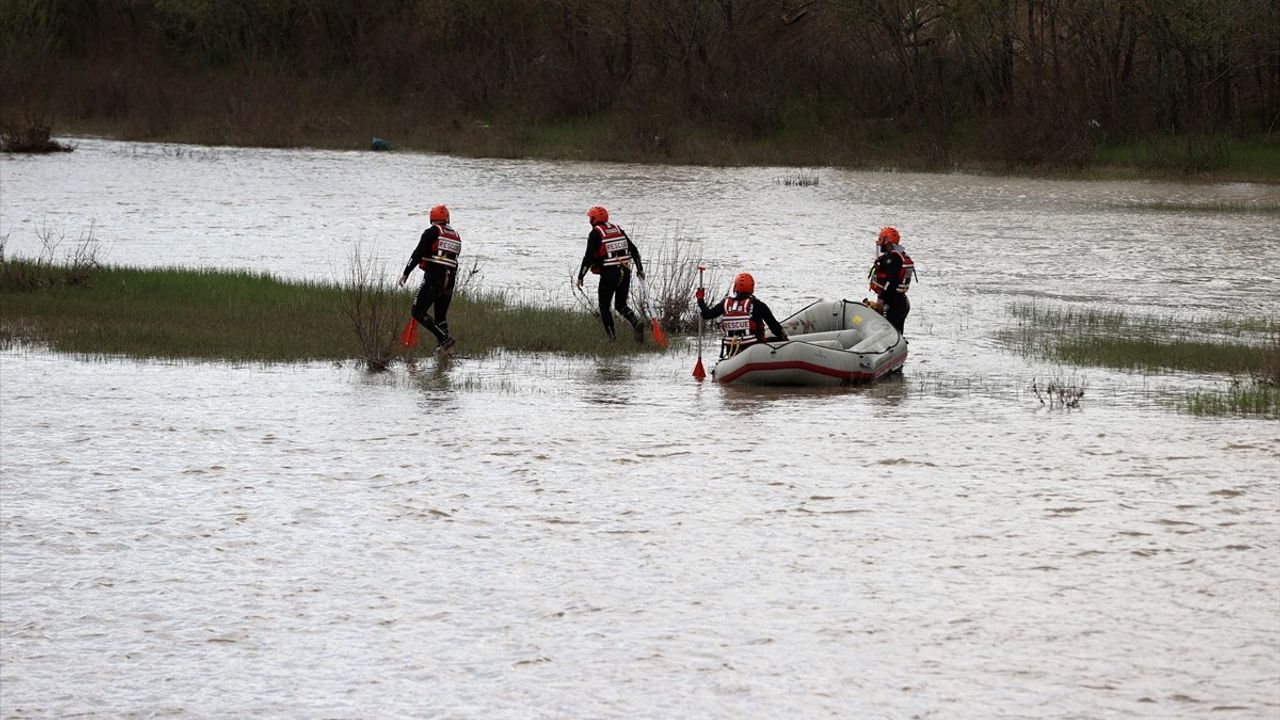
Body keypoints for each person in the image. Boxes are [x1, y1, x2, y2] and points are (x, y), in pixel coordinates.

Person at [576, 205, 647, 342]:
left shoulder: (595, 233)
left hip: (610, 274)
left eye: (590, 217)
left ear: (594, 219)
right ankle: (635, 321)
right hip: (625, 271)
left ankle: (612, 339)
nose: (589, 220)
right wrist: (640, 269)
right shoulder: (618, 229)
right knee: (621, 305)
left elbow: (588, 258)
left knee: (604, 306)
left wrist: (580, 277)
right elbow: (634, 250)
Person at [399, 204, 461, 353]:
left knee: (417, 311)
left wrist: (406, 273)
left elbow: (418, 253)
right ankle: (444, 350)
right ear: (446, 218)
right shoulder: (456, 236)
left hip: (435, 279)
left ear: (432, 218)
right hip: (450, 281)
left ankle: (444, 339)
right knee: (440, 316)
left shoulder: (431, 232)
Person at [696, 272, 789, 358]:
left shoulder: (726, 304)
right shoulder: (759, 305)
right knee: (776, 339)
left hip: (732, 350)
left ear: (735, 287)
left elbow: (706, 314)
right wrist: (785, 340)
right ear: (752, 289)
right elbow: (774, 327)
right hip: (756, 349)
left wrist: (700, 299)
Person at [867, 226, 914, 335]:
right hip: (901, 301)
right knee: (898, 334)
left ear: (887, 241)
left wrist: (883, 298)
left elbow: (892, 281)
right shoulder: (898, 255)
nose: (879, 242)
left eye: (881, 239)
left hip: (893, 303)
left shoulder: (891, 259)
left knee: (889, 335)